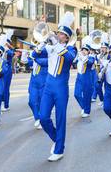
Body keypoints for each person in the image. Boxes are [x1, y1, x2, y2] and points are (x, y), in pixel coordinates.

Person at [37, 12, 77, 162]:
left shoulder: (71, 49)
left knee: (60, 119)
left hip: (61, 88)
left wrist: (57, 45)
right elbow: (36, 56)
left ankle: (59, 149)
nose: (58, 35)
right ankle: (56, 139)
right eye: (58, 33)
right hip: (48, 86)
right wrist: (42, 43)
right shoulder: (51, 46)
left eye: (61, 34)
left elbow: (70, 59)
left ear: (66, 37)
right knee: (43, 117)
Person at [74, 37, 95, 118]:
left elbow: (90, 63)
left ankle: (87, 111)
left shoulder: (91, 57)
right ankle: (83, 106)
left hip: (87, 78)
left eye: (86, 50)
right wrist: (76, 56)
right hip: (79, 77)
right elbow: (73, 62)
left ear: (88, 51)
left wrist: (82, 57)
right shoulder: (79, 57)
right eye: (83, 49)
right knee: (76, 94)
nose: (83, 51)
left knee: (87, 95)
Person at [2, 29, 15, 112]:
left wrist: (7, 49)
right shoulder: (2, 49)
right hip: (1, 69)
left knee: (5, 87)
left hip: (7, 70)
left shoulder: (9, 50)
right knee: (0, 87)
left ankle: (6, 104)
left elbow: (12, 54)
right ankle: (0, 102)